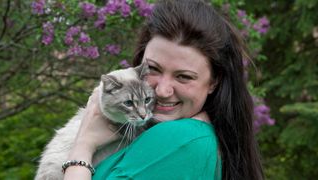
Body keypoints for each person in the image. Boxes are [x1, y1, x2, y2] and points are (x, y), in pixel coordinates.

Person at [63, 0, 264, 179]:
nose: (162, 91)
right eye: (153, 69)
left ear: (214, 82)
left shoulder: (179, 140)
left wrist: (83, 147)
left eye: (184, 76)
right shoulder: (195, 136)